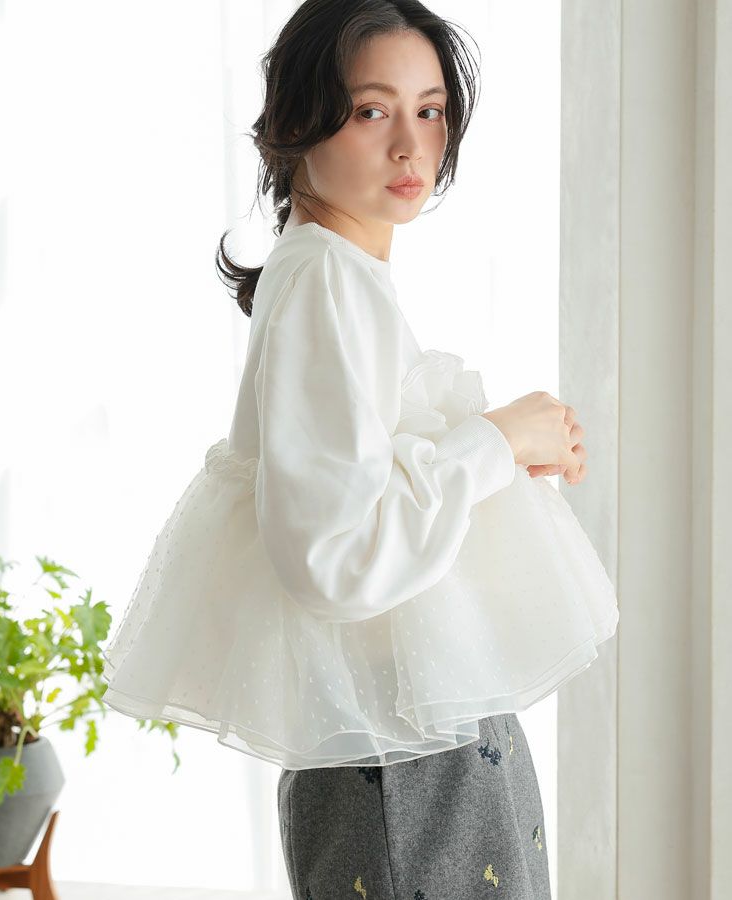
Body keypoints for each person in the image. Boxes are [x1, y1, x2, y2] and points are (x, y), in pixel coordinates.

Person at [102, 1, 619, 896]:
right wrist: (493, 441)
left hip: (412, 747)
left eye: (431, 110)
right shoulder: (323, 284)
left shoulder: (338, 276)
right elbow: (337, 556)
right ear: (297, 121)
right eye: (373, 110)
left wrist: (497, 458)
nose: (412, 146)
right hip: (404, 765)